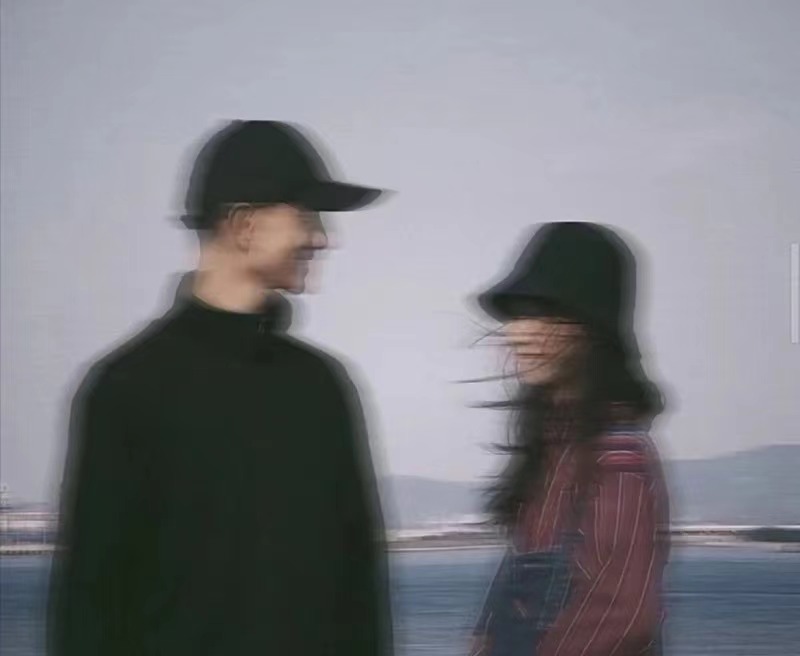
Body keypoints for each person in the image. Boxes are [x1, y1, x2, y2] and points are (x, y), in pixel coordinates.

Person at [47, 120, 393, 656]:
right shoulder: (126, 390)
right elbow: (88, 610)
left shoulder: (323, 388)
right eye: (306, 216)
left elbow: (362, 599)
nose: (323, 238)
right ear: (243, 225)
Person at [470, 222, 670, 656]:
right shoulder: (550, 450)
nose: (520, 333)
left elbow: (625, 615)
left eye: (545, 314)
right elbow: (515, 585)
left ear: (595, 330)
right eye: (517, 315)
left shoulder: (618, 459)